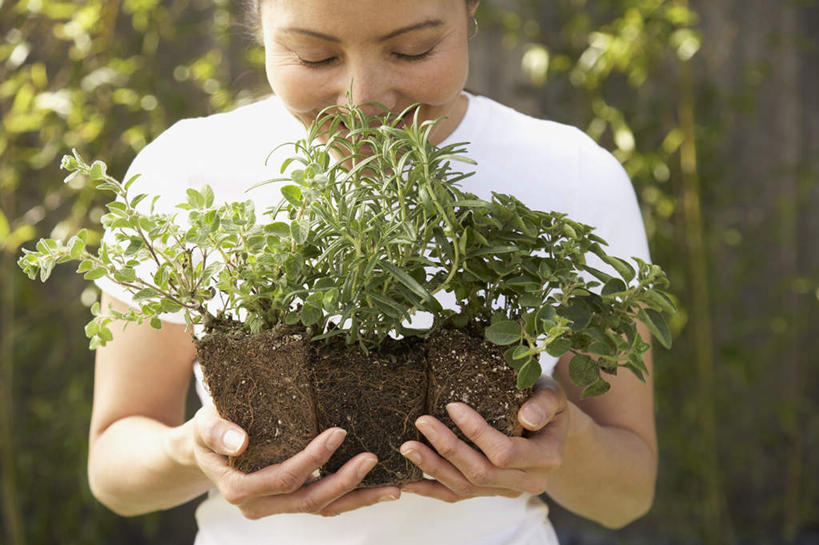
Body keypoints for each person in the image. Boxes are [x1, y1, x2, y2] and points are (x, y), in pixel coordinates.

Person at [88, 1, 658, 544]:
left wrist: (558, 441)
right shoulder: (184, 172)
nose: (363, 101)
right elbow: (113, 471)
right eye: (315, 57)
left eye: (413, 50)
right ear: (260, 23)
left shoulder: (574, 175)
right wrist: (193, 451)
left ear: (470, 12)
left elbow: (627, 494)